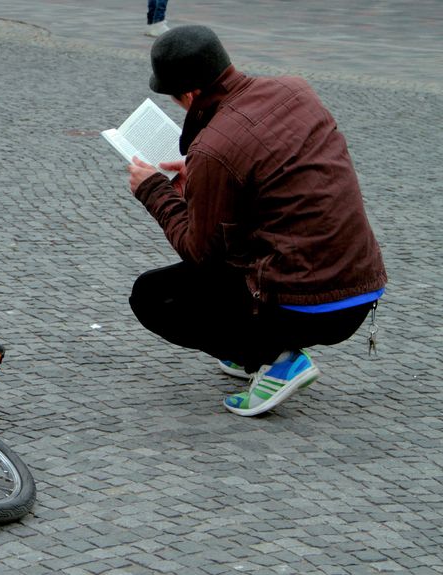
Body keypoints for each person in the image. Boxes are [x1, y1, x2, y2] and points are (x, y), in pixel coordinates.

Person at [124, 25, 387, 417]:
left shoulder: (214, 148)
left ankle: (275, 357)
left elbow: (200, 253)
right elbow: (273, 182)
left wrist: (154, 191)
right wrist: (203, 180)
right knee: (236, 253)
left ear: (191, 94)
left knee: (153, 296)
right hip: (361, 287)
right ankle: (247, 349)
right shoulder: (296, 91)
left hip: (308, 305)